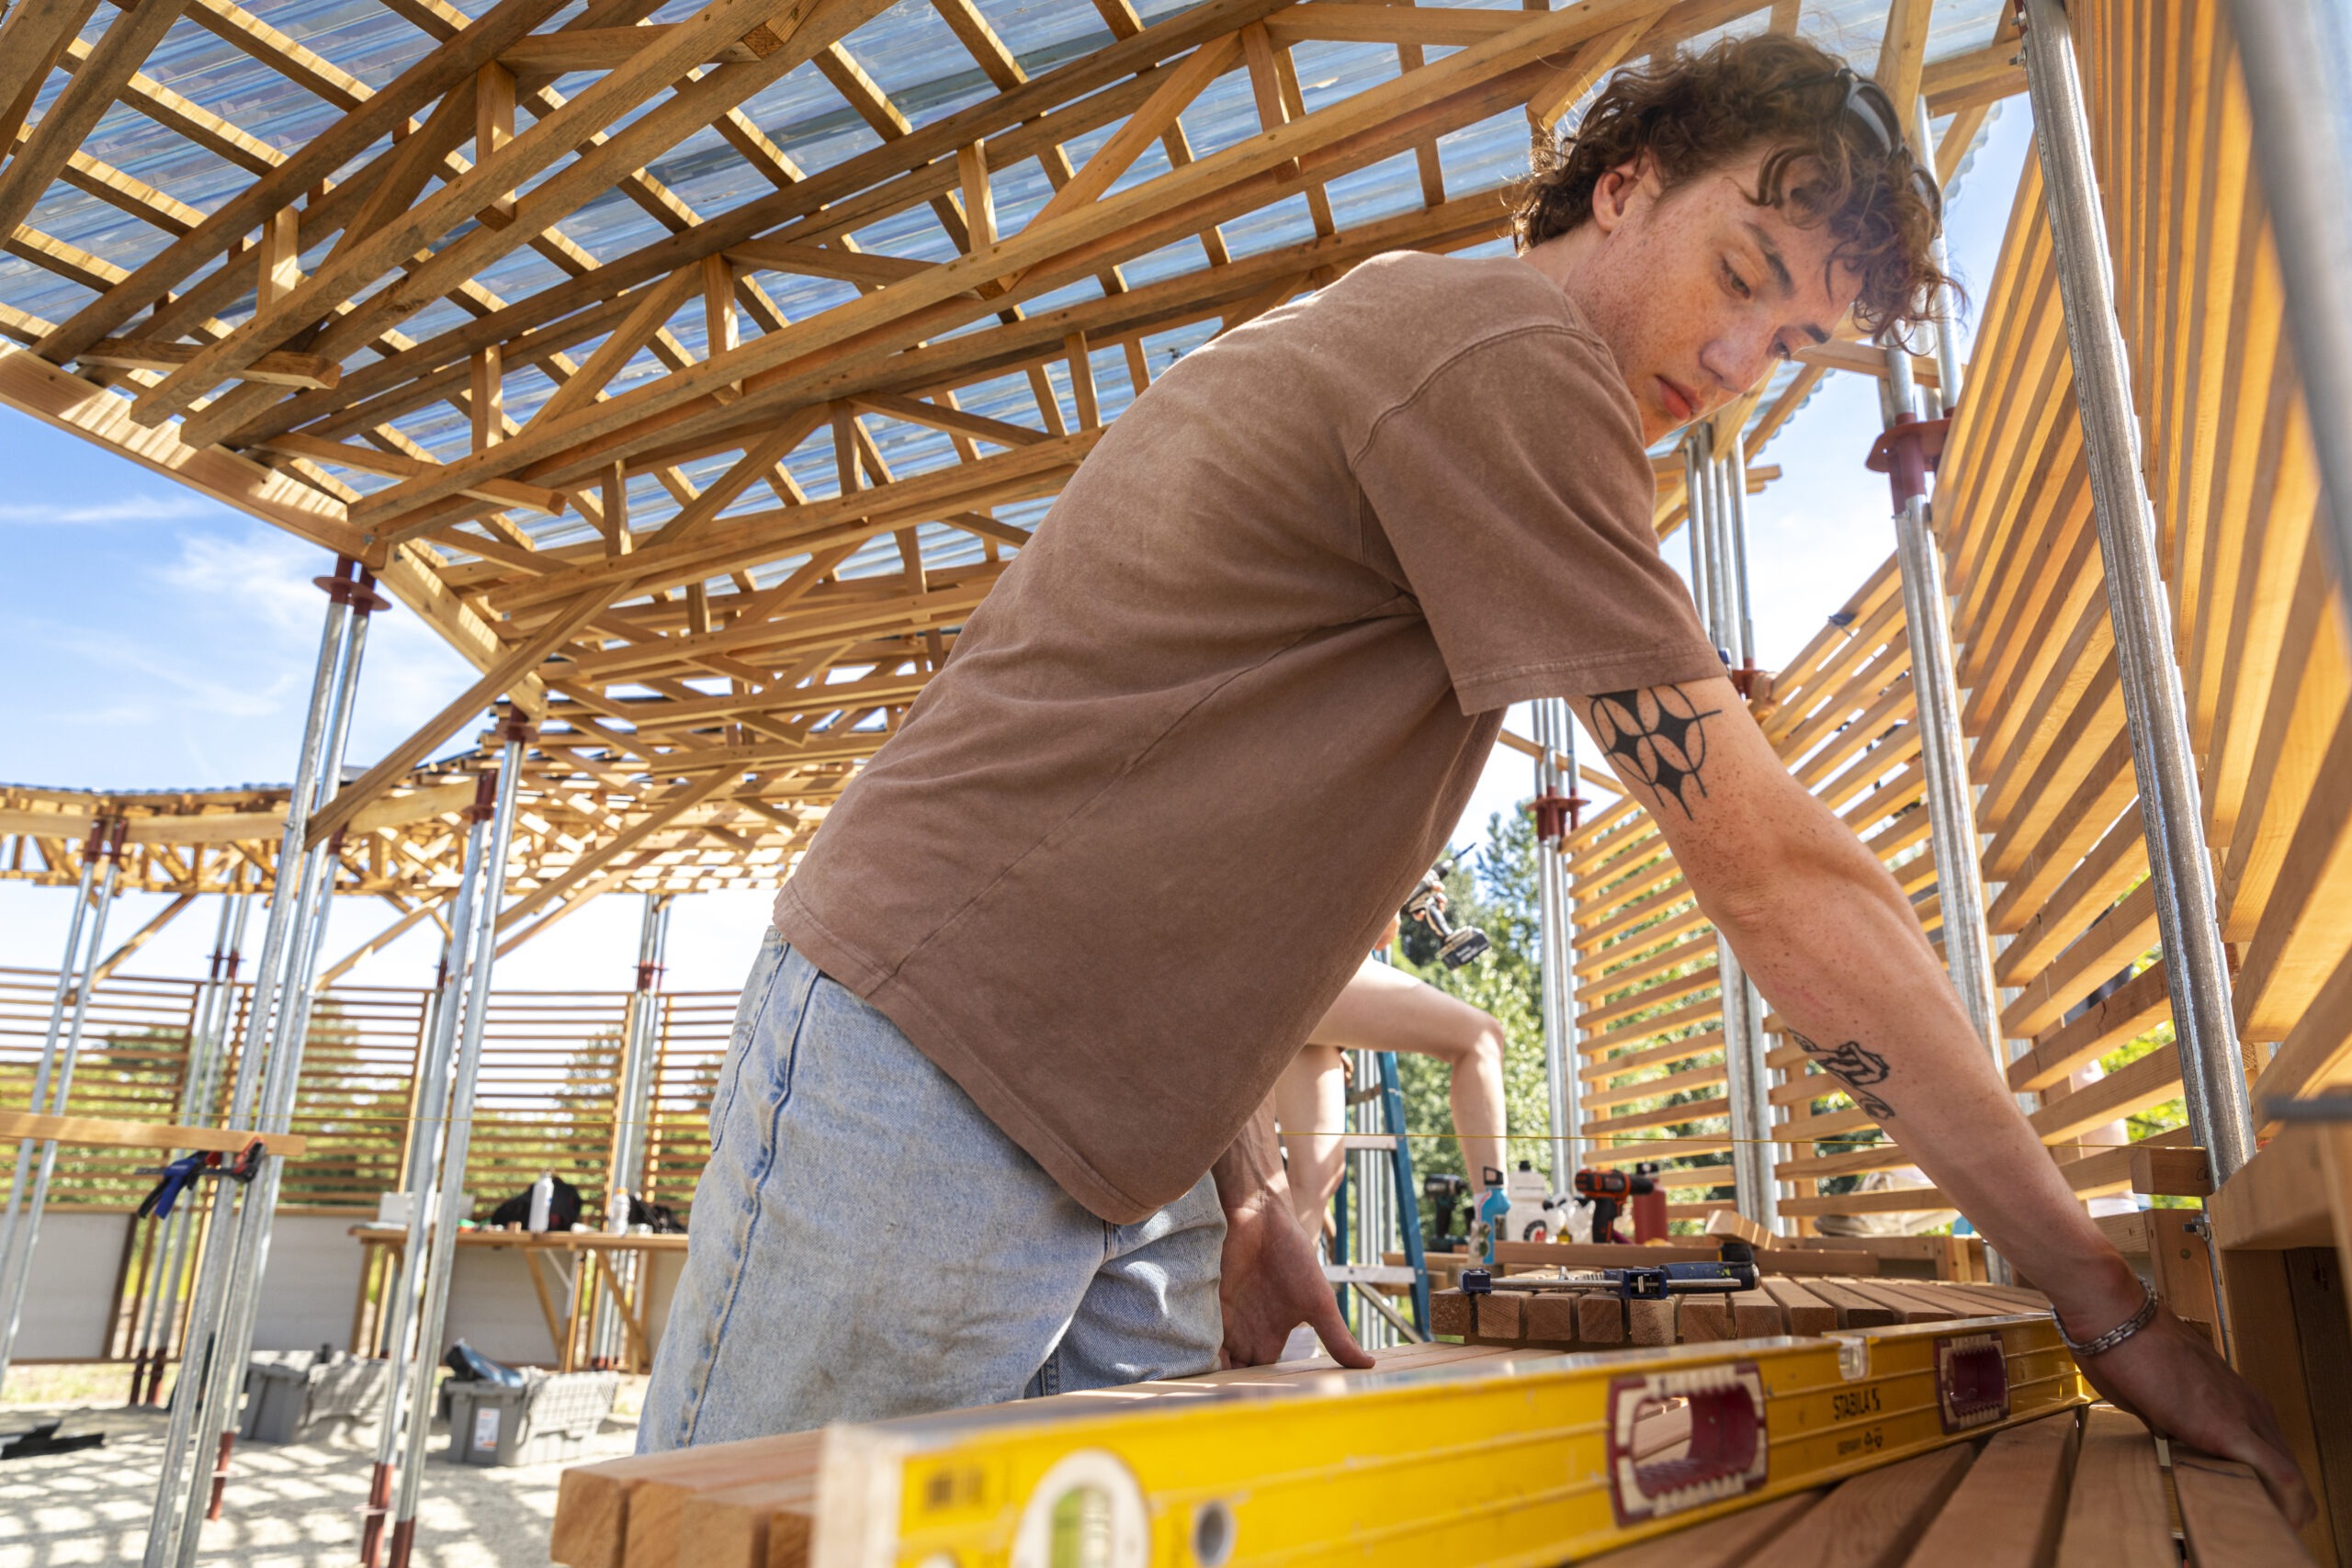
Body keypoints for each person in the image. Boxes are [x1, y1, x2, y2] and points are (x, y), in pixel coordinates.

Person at [639, 30, 2311, 1523]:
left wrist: (1239, 1185)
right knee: (747, 1540)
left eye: (1798, 343)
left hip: (1100, 1150)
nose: (1741, 367)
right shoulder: (1506, 357)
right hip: (932, 1067)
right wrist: (2107, 1309)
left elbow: (1173, 812)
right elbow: (1779, 876)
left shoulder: (1444, 357)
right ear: (1625, 185)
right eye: (1743, 273)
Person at [1272, 934, 1509, 1239]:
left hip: (1282, 971)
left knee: (1317, 1175)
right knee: (1481, 1037)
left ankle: (1280, 1285)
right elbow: (1382, 931)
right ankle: (1495, 1222)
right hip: (1304, 960)